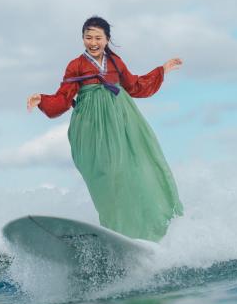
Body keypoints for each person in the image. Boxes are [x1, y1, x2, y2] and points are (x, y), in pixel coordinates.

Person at [26, 16, 183, 242]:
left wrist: (162, 70)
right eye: (88, 37)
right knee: (107, 175)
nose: (93, 42)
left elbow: (135, 86)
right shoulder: (75, 65)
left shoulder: (115, 62)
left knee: (135, 170)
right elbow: (63, 98)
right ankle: (115, 228)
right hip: (91, 126)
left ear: (107, 39)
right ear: (82, 38)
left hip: (122, 122)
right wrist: (41, 99)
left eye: (98, 38)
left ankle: (149, 229)